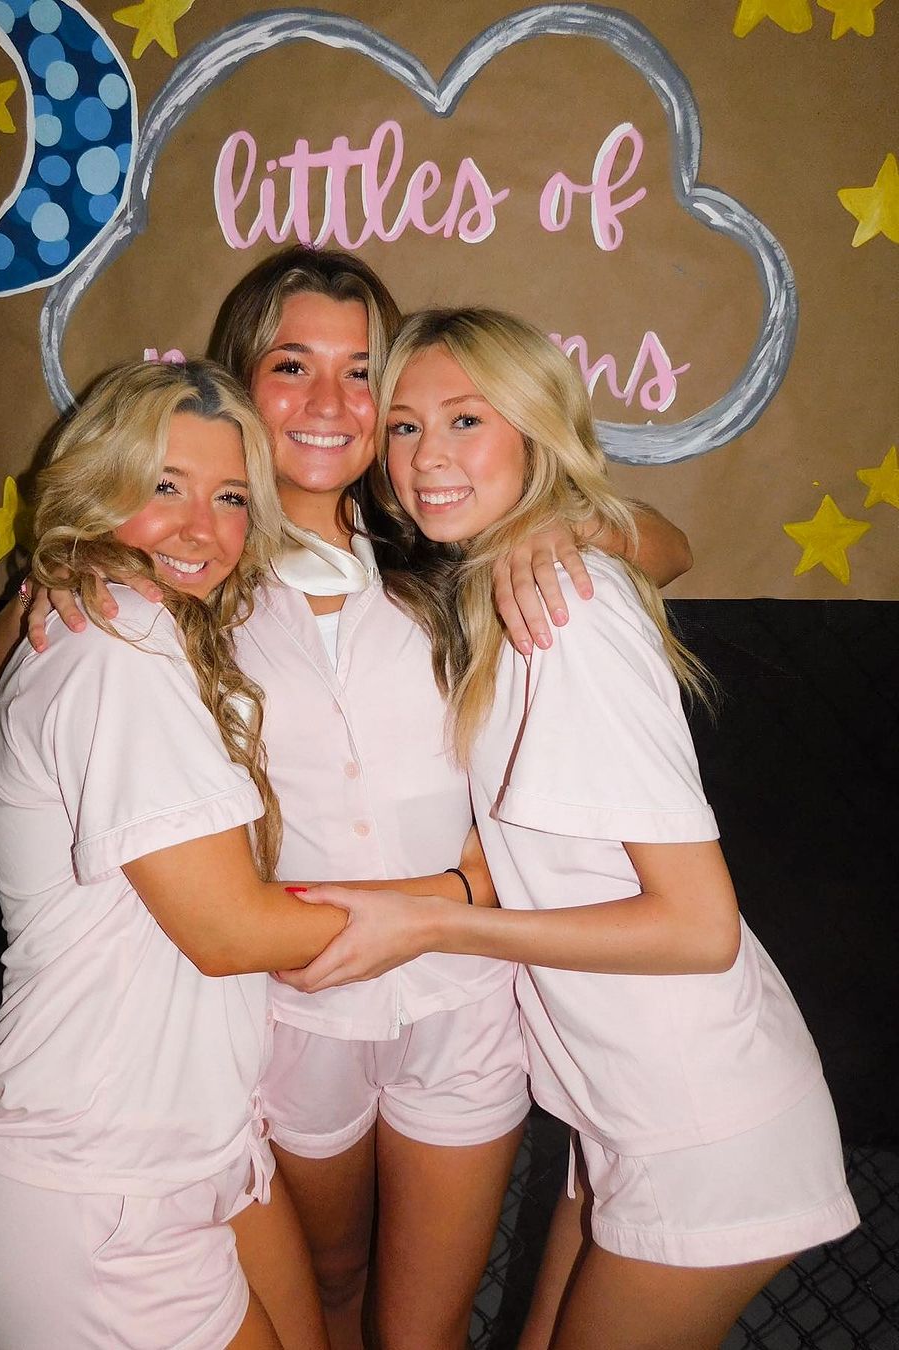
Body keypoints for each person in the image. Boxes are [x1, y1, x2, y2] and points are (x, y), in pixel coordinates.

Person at [0, 246, 694, 1350]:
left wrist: (568, 521)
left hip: (465, 997)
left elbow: (670, 548)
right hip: (295, 1004)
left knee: (425, 1323)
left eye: (361, 372)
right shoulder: (193, 558)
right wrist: (61, 571)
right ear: (241, 380)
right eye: (291, 366)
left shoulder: (443, 534)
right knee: (333, 1283)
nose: (328, 402)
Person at [278, 307, 861, 1350]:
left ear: (537, 431)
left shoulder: (571, 615)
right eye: (405, 426)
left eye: (467, 420)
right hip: (622, 1110)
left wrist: (432, 925)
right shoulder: (500, 590)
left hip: (701, 1127)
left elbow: (698, 929)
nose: (426, 456)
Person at [0, 357, 356, 1350]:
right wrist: (472, 897)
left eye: (231, 498)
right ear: (100, 487)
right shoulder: (114, 643)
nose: (201, 528)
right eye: (164, 486)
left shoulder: (144, 624)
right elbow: (230, 933)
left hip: (197, 1152)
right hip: (92, 1196)